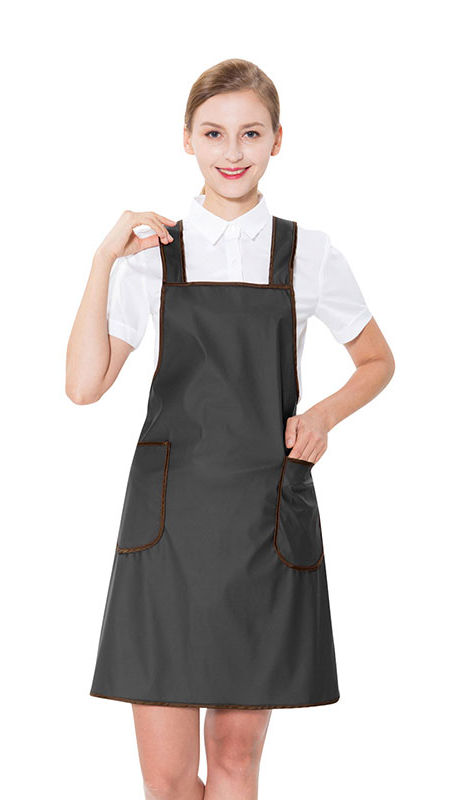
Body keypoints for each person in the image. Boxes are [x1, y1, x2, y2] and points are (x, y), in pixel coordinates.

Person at [66, 58, 395, 800]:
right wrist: (102, 259)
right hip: (169, 522)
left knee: (237, 756)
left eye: (251, 132)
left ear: (278, 139)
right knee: (168, 779)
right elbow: (84, 386)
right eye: (214, 133)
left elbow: (377, 360)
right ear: (187, 139)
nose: (233, 151)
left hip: (262, 518)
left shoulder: (308, 252)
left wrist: (323, 416)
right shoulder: (153, 255)